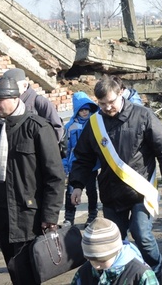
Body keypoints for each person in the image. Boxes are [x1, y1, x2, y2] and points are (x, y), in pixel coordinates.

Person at [69, 75, 162, 281]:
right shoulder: (95, 123)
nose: (107, 107)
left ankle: (153, 274)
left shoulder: (143, 115)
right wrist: (76, 185)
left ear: (121, 93)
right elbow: (83, 157)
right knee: (114, 241)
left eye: (111, 102)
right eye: (102, 104)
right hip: (111, 192)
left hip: (140, 191)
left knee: (142, 236)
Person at [0, 75, 65, 284]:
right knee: (13, 266)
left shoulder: (37, 128)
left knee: (26, 268)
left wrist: (50, 216)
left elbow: (55, 176)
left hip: (28, 213)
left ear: (15, 97)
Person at [72, 217, 158, 285]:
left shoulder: (140, 274)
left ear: (116, 251)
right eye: (91, 259)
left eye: (102, 260)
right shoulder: (83, 272)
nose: (96, 266)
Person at [63, 91, 99, 227]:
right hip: (74, 164)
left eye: (87, 109)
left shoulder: (95, 124)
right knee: (71, 192)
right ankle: (69, 217)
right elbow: (65, 148)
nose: (85, 112)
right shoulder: (69, 127)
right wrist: (65, 164)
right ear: (77, 110)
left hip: (91, 165)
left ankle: (92, 215)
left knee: (91, 191)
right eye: (82, 109)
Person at [3, 68, 64, 141]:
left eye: (14, 86)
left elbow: (57, 130)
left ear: (25, 86)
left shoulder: (40, 102)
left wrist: (44, 149)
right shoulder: (6, 104)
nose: (10, 90)